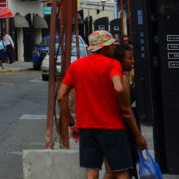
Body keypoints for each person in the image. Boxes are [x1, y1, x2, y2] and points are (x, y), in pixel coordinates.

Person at [56, 31, 147, 179]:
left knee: (91, 171)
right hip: (112, 127)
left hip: (86, 127)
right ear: (103, 47)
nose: (113, 48)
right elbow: (118, 88)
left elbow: (60, 97)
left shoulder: (76, 65)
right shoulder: (113, 64)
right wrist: (124, 106)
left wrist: (71, 124)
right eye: (111, 45)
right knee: (122, 171)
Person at [102, 43, 140, 179]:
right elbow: (126, 109)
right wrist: (138, 135)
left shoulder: (111, 75)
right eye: (129, 58)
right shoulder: (122, 77)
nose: (133, 60)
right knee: (125, 169)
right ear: (120, 60)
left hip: (110, 126)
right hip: (123, 128)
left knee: (111, 171)